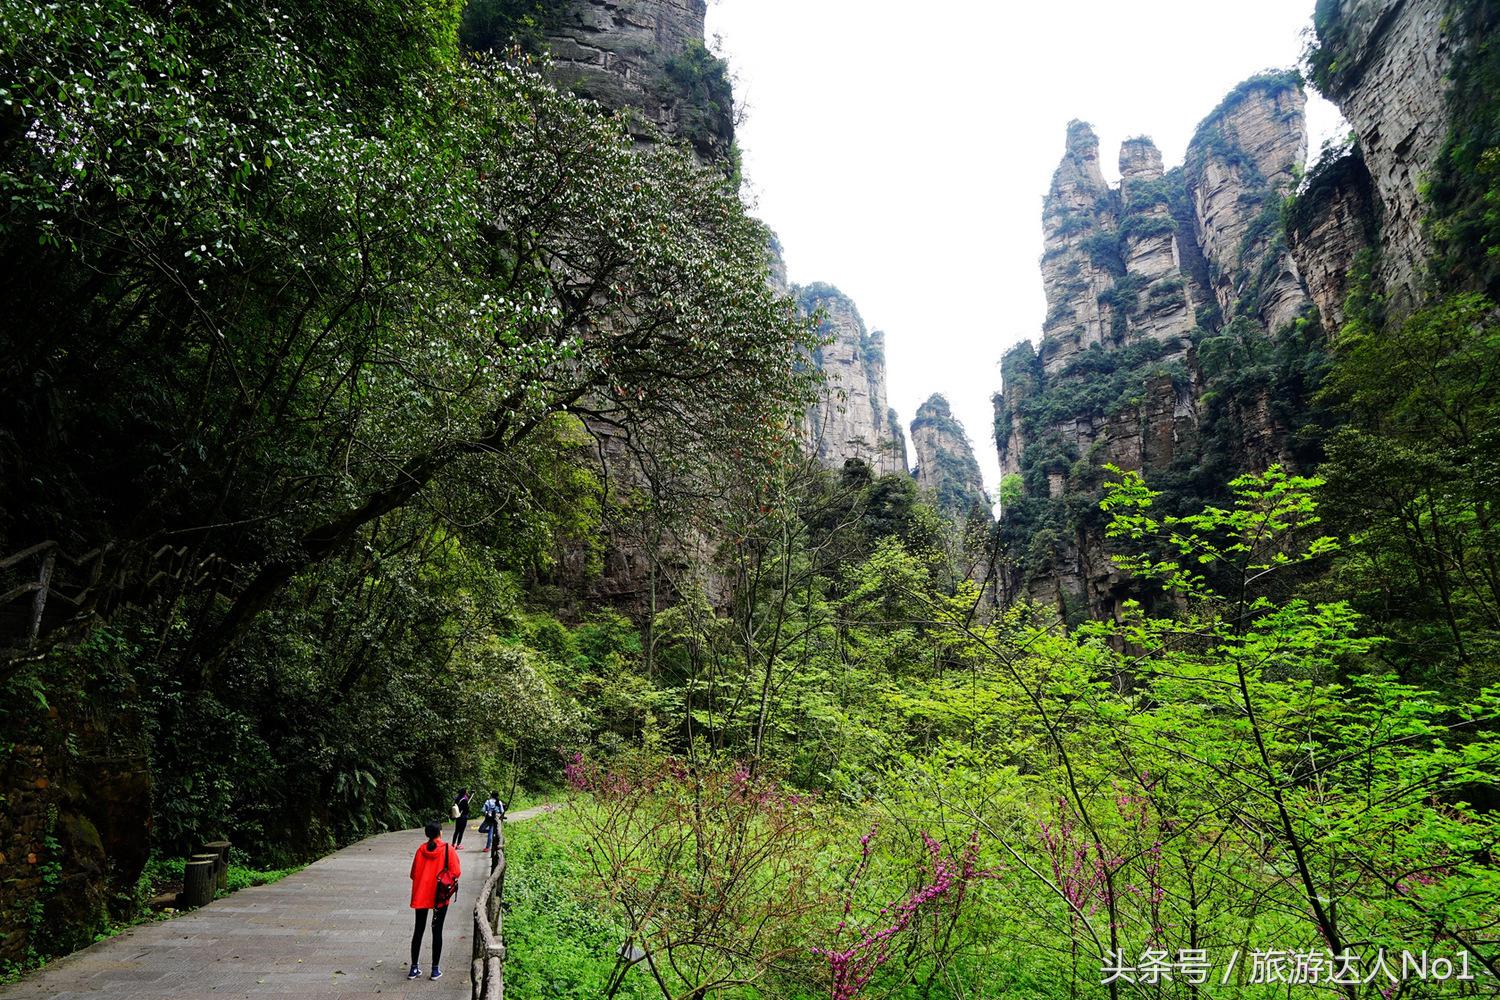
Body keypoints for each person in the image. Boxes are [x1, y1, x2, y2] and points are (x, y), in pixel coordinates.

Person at [408, 821, 460, 981]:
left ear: (427, 834)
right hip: (439, 896)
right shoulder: (448, 850)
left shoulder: (420, 850)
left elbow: (413, 874)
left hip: (421, 894)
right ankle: (435, 970)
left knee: (418, 930)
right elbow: (456, 872)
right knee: (437, 931)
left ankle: (414, 968)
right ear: (440, 833)